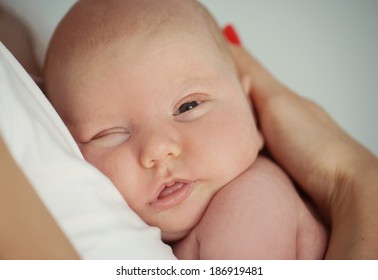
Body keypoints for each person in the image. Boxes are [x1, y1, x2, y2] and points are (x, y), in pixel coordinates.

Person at [43, 0, 328, 259]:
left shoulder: (250, 202)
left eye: (188, 107)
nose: (157, 149)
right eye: (110, 134)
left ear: (252, 110)